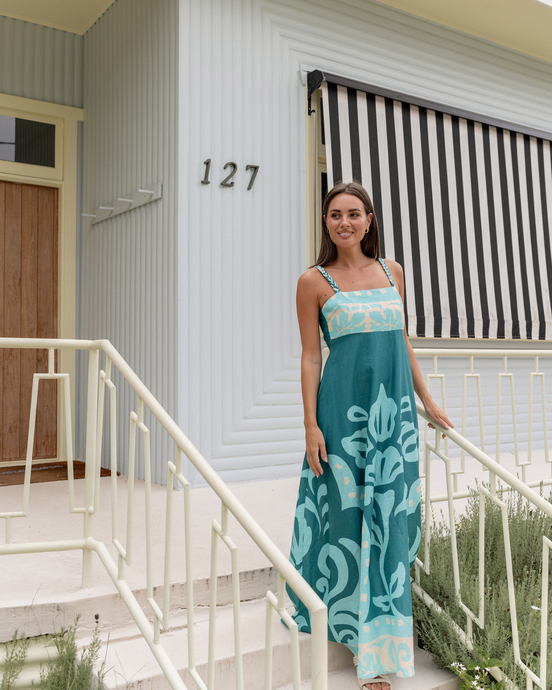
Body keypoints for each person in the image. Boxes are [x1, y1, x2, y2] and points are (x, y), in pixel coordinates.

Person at [287, 182, 453, 690]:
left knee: (389, 524)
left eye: (353, 214)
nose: (343, 223)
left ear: (370, 219)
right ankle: (364, 648)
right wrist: (311, 424)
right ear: (326, 222)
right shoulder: (313, 282)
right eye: (334, 215)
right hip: (343, 420)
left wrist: (426, 400)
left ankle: (383, 641)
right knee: (348, 523)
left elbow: (402, 340)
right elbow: (312, 356)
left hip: (395, 419)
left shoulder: (392, 272)